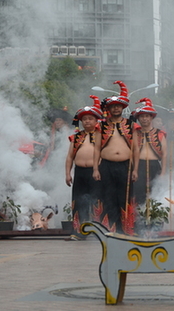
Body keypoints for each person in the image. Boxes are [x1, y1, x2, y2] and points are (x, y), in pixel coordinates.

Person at [93, 81, 139, 234]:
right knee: (108, 196)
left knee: (125, 197)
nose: (116, 108)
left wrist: (135, 170)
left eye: (118, 105)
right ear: (109, 109)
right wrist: (95, 169)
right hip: (106, 165)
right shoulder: (102, 126)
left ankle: (127, 228)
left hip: (125, 166)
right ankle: (111, 228)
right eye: (113, 106)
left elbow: (136, 149)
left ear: (122, 107)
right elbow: (97, 148)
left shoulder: (131, 125)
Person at [65, 95, 103, 240]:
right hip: (79, 172)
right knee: (79, 201)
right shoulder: (76, 137)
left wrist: (97, 169)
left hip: (96, 173)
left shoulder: (101, 136)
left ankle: (96, 231)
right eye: (84, 119)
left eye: (90, 119)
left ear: (96, 120)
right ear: (81, 122)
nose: (87, 121)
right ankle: (79, 231)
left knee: (96, 201)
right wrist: (68, 173)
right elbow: (69, 157)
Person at [132, 98, 167, 209]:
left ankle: (155, 221)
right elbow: (135, 152)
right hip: (140, 165)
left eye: (147, 116)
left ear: (151, 117)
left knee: (156, 194)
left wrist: (163, 173)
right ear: (138, 118)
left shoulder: (159, 134)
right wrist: (135, 170)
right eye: (142, 116)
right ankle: (140, 220)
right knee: (139, 195)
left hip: (155, 165)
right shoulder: (136, 133)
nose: (144, 119)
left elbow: (165, 154)